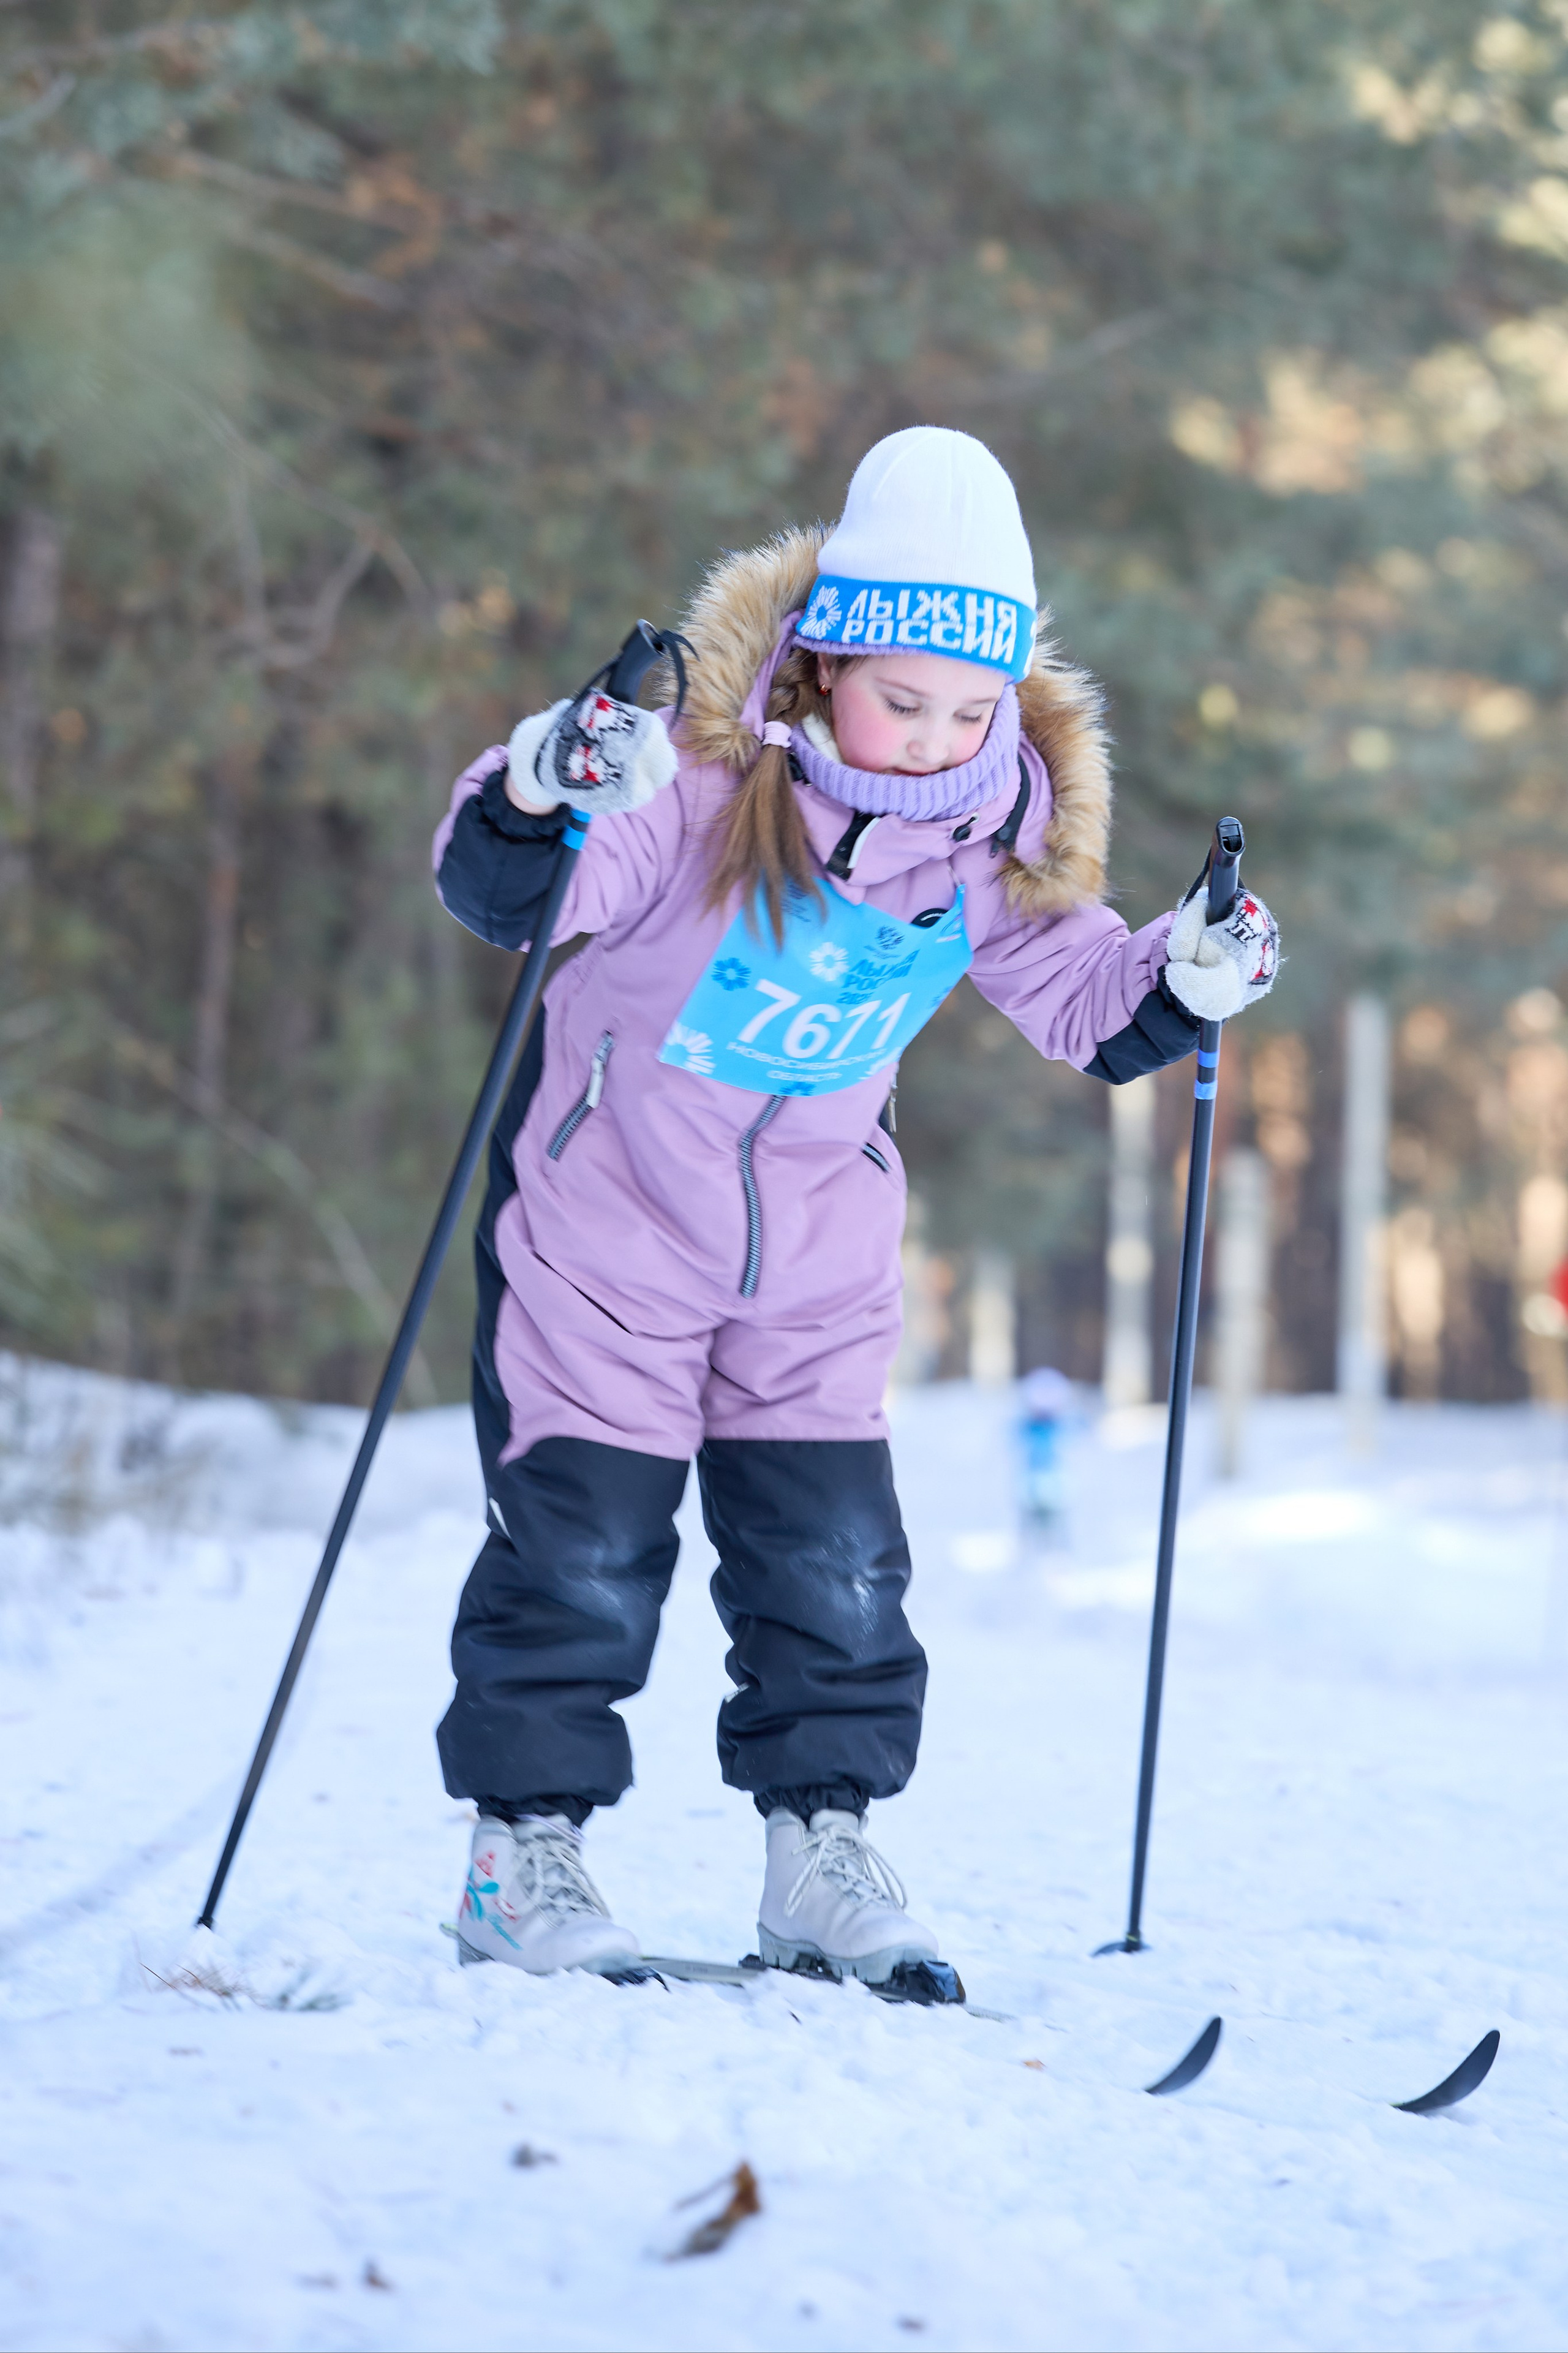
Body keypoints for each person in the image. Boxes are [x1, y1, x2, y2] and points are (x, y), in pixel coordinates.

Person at [429, 426, 1278, 1987]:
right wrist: (547, 782)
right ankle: (521, 1852)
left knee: (832, 1572)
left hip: (812, 1271)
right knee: (583, 1558)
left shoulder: (981, 838)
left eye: (974, 709)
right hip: (601, 1240)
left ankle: (817, 1849)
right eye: (906, 700)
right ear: (823, 665)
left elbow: (1084, 1003)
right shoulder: (689, 788)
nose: (936, 738)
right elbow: (513, 891)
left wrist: (1184, 970)